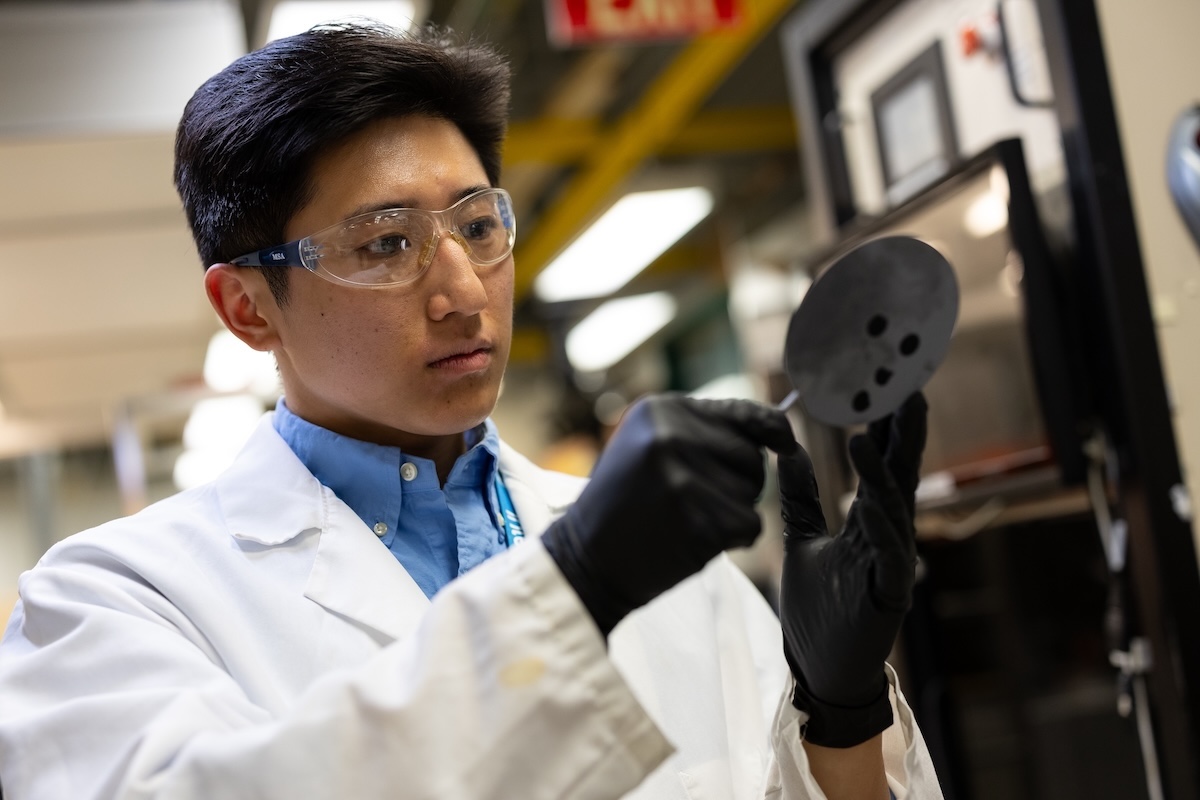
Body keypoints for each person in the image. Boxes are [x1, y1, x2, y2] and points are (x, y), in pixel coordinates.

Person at [0, 23, 941, 800]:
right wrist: (573, 592)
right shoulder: (114, 604)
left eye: (479, 225)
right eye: (386, 243)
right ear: (247, 307)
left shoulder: (668, 560)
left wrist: (842, 711)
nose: (462, 290)